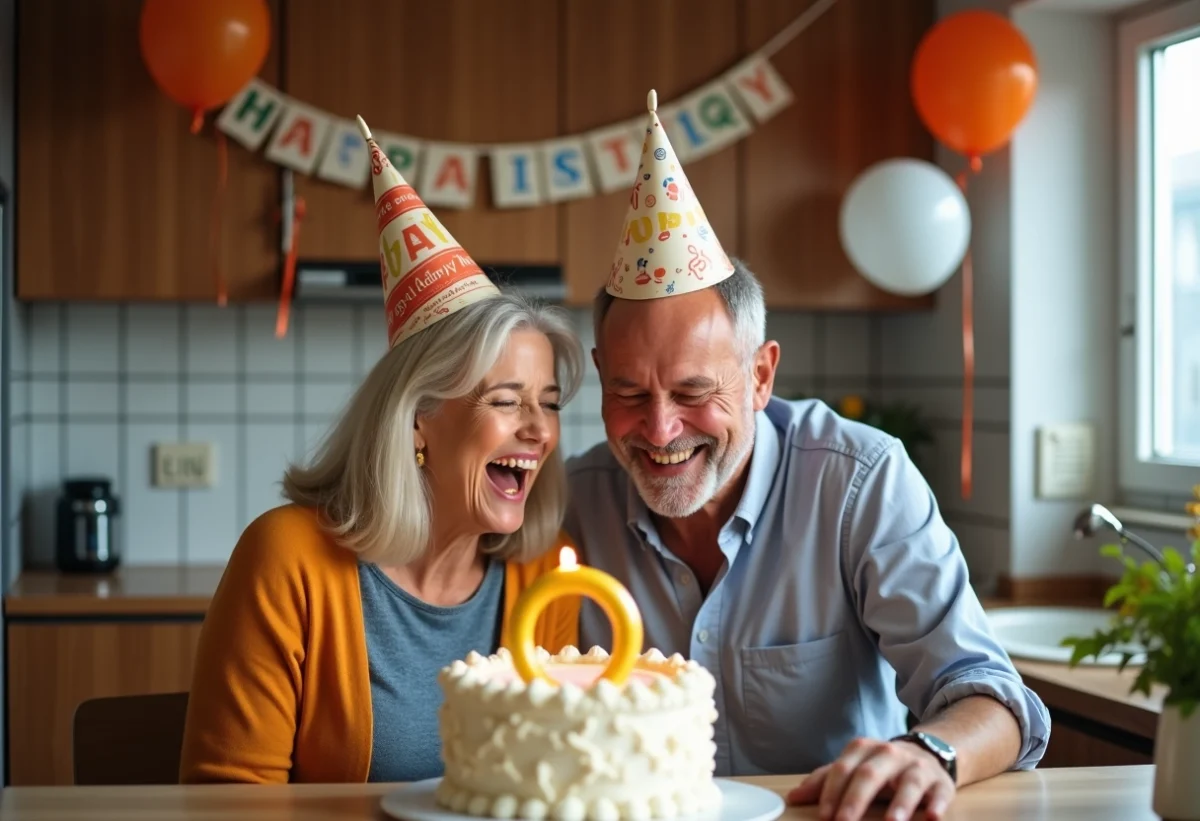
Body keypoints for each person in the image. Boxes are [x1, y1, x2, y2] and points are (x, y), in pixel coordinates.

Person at [564, 91, 1050, 821]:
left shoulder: (860, 481)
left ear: (761, 375)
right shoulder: (569, 504)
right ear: (601, 375)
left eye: (695, 391)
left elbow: (990, 692)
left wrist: (932, 752)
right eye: (630, 393)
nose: (660, 430)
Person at [179, 118, 583, 784]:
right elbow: (230, 799)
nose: (540, 430)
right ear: (420, 417)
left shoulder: (547, 573)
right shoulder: (286, 561)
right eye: (508, 400)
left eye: (550, 403)